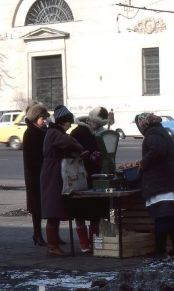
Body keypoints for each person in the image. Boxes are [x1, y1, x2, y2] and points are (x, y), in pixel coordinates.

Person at [135, 112, 174, 256]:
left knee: (161, 216)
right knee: (170, 216)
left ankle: (160, 250)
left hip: (161, 184)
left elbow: (157, 151)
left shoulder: (153, 134)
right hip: (169, 182)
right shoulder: (160, 131)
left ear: (143, 124)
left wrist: (143, 163)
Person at [40, 105, 86, 257]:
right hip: (52, 173)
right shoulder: (54, 133)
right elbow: (69, 142)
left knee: (56, 208)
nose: (69, 126)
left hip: (54, 171)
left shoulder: (53, 132)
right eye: (68, 123)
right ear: (62, 122)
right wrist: (78, 147)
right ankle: (52, 246)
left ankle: (53, 245)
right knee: (53, 208)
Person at [23, 101, 68, 247]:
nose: (44, 120)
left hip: (46, 173)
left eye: (45, 117)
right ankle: (37, 234)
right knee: (37, 207)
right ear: (35, 118)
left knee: (52, 205)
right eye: (41, 117)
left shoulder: (45, 131)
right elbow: (31, 158)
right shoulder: (30, 133)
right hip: (35, 175)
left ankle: (54, 236)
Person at [69, 106, 110, 253]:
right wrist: (89, 156)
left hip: (95, 176)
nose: (99, 126)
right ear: (90, 120)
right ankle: (83, 243)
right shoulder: (78, 132)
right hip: (80, 176)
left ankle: (93, 241)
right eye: (97, 123)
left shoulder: (99, 133)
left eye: (101, 124)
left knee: (96, 211)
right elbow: (72, 153)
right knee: (79, 211)